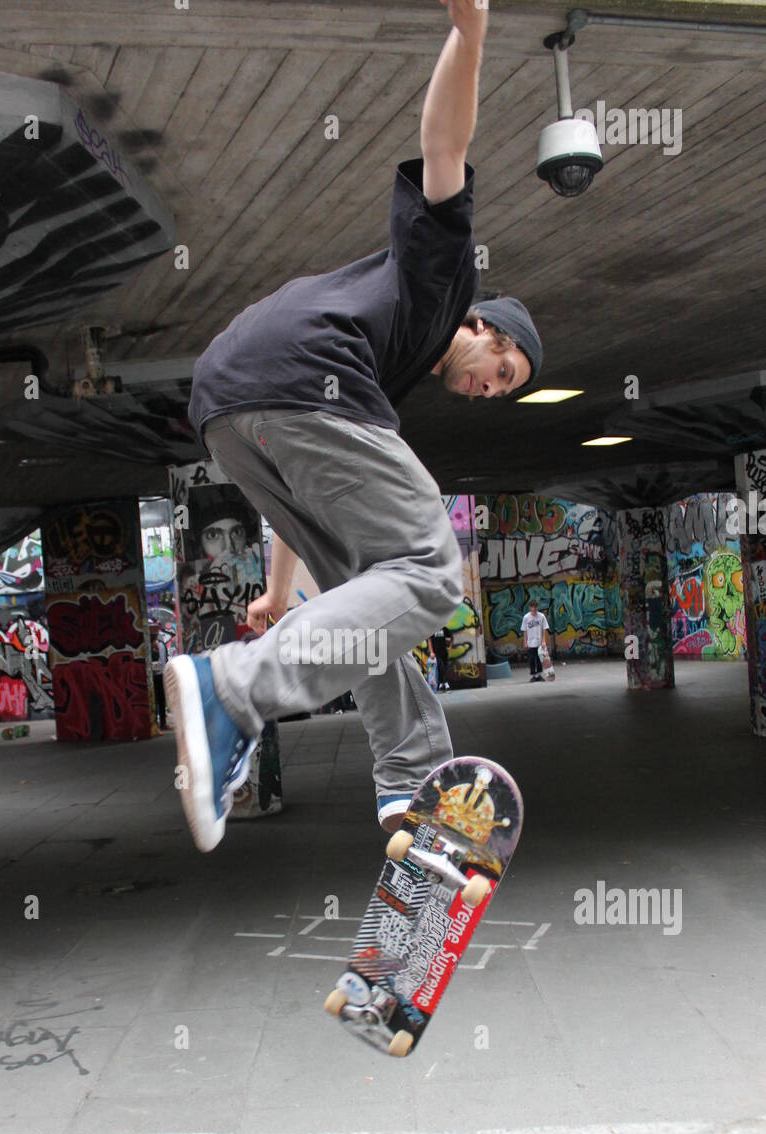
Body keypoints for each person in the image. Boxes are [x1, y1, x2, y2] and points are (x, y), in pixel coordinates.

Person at [167, 0, 542, 852]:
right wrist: (471, 36)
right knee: (432, 567)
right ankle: (232, 692)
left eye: (502, 394)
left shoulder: (382, 372)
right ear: (487, 328)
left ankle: (412, 777)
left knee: (364, 598)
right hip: (302, 378)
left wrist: (275, 586)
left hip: (232, 408)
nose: (489, 391)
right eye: (503, 374)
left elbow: (307, 490)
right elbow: (446, 143)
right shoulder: (443, 278)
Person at [520, 599, 550, 682]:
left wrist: (544, 641)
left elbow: (544, 629)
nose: (534, 609)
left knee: (539, 659)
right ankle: (534, 675)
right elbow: (525, 630)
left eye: (535, 607)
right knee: (532, 659)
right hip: (530, 643)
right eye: (532, 607)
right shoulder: (526, 617)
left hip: (539, 642)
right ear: (530, 608)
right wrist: (525, 642)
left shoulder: (541, 616)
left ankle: (539, 675)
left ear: (537, 608)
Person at [149, 623, 169, 729]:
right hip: (153, 675)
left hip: (161, 674)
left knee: (162, 699)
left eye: (156, 632)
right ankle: (155, 723)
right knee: (155, 699)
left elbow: (165, 658)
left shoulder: (162, 644)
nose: (155, 634)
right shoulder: (149, 646)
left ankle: (163, 723)